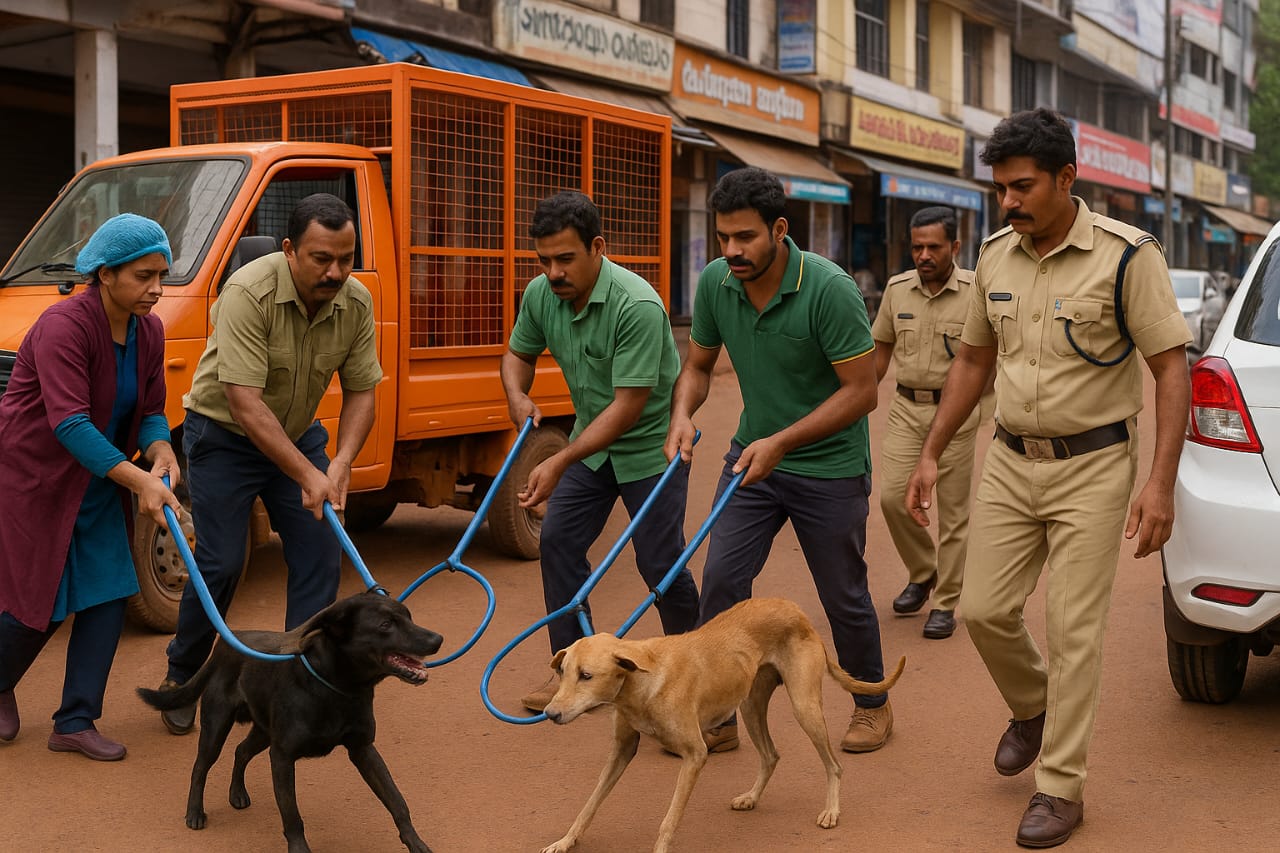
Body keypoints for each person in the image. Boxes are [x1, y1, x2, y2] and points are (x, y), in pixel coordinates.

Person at [905, 108, 1191, 848]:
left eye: (1022, 186)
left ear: (1067, 178)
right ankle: (1033, 704)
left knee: (1073, 630)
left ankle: (1060, 786)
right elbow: (971, 360)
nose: (1008, 201)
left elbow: (1169, 367)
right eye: (1000, 188)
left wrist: (1159, 483)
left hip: (1094, 466)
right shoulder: (997, 257)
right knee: (980, 609)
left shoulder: (1128, 257)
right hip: (1006, 458)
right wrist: (933, 451)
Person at [666, 167, 891, 755]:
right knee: (720, 581)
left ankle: (871, 702)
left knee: (843, 594)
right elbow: (696, 366)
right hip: (751, 458)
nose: (732, 251)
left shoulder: (828, 288)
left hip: (830, 466)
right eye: (723, 238)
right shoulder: (716, 283)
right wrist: (682, 414)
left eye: (745, 238)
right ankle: (717, 716)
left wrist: (785, 442)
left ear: (780, 229)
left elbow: (862, 391)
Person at [156, 193, 383, 734]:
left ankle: (291, 676)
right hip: (225, 435)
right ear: (289, 249)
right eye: (321, 258)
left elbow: (362, 392)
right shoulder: (246, 293)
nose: (335, 272)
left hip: (299, 435)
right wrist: (308, 474)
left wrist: (342, 461)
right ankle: (182, 674)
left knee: (320, 554)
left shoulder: (356, 302)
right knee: (222, 561)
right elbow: (244, 402)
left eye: (346, 259)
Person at [502, 191, 698, 712]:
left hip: (648, 450)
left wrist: (558, 458)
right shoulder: (542, 293)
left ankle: (692, 679)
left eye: (565, 259)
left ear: (597, 247)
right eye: (543, 260)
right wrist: (517, 394)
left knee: (660, 566)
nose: (553, 272)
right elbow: (517, 355)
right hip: (593, 450)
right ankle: (568, 675)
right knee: (559, 545)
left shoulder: (636, 305)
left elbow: (628, 407)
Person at [0, 214, 182, 761]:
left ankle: (75, 720)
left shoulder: (149, 329)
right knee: (40, 602)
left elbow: (150, 411)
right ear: (104, 274)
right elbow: (70, 424)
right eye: (144, 276)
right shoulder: (63, 327)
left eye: (162, 275)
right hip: (34, 478)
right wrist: (137, 481)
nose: (157, 288)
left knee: (107, 592)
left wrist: (162, 450)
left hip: (99, 476)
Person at [873, 206, 986, 640]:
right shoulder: (897, 290)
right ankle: (924, 572)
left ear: (955, 247)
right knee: (891, 498)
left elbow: (990, 356)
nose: (923, 255)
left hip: (955, 414)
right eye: (916, 246)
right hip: (905, 407)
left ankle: (946, 601)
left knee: (953, 515)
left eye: (933, 247)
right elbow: (880, 351)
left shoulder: (977, 291)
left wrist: (989, 405)